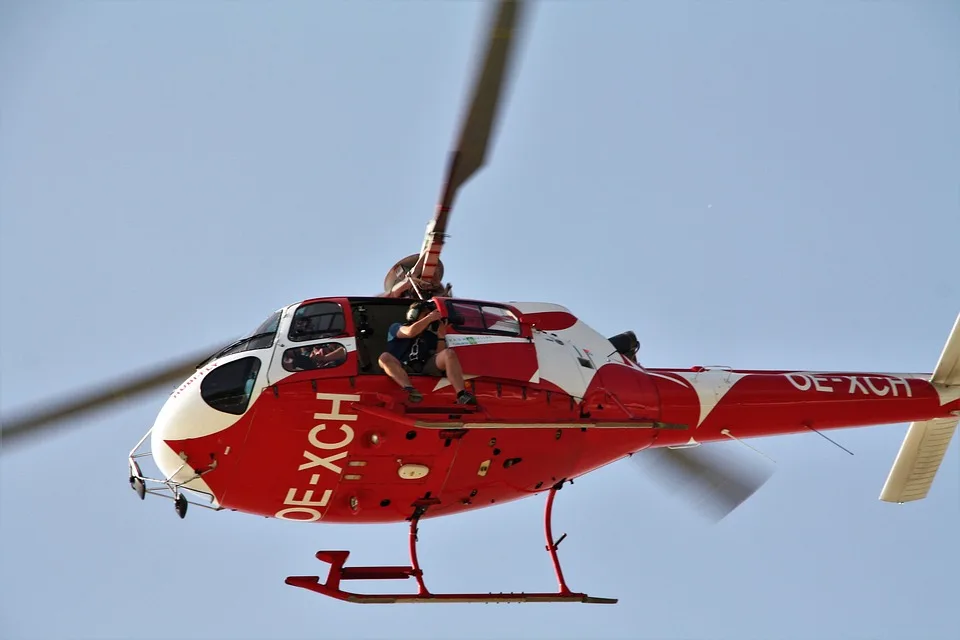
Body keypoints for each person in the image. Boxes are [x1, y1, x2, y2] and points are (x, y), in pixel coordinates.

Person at [378, 302, 476, 405]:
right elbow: (410, 332)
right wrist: (429, 318)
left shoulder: (429, 336)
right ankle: (410, 390)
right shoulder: (397, 327)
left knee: (448, 354)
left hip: (424, 367)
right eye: (425, 314)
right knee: (384, 357)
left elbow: (438, 356)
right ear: (413, 314)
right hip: (402, 367)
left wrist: (441, 336)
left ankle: (461, 394)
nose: (430, 317)